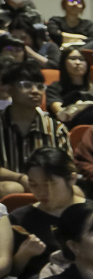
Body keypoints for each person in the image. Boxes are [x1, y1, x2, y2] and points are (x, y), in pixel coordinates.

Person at [13, 148, 82, 279]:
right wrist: (23, 255)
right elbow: (11, 272)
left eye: (49, 183)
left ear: (71, 179)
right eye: (33, 184)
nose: (41, 191)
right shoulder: (19, 219)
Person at [0, 60, 68, 195]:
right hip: (7, 183)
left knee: (76, 193)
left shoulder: (56, 128)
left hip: (47, 184)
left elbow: (66, 167)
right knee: (13, 189)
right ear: (9, 89)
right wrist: (19, 178)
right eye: (26, 85)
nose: (35, 91)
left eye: (40, 86)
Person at [48, 45, 93, 128]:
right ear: (64, 62)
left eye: (82, 59)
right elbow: (61, 114)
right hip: (70, 124)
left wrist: (85, 105)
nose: (78, 62)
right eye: (72, 58)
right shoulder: (55, 87)